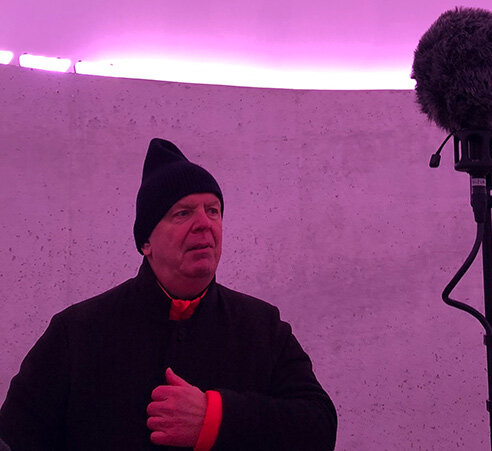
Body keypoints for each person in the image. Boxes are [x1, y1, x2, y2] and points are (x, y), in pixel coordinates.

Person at [0, 138, 337, 450]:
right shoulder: (77, 332)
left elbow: (319, 427)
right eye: (183, 213)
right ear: (146, 242)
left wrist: (214, 418)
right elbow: (14, 437)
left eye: (213, 210)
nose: (204, 223)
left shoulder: (262, 327)